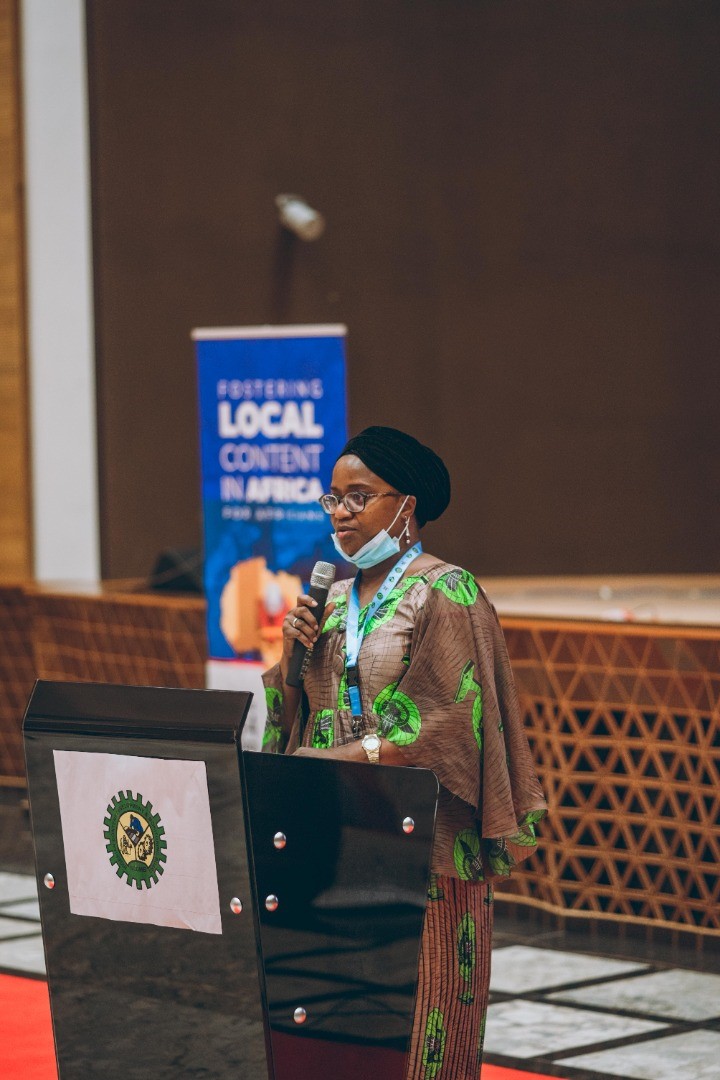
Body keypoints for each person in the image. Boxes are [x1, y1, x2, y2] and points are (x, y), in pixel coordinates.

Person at [262, 426, 547, 1079]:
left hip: (427, 839)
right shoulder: (334, 601)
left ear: (406, 506)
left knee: (427, 1009)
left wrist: (337, 760)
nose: (341, 513)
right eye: (332, 499)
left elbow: (446, 725)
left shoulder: (446, 591)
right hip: (344, 832)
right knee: (349, 1013)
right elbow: (303, 717)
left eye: (358, 497)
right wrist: (291, 656)